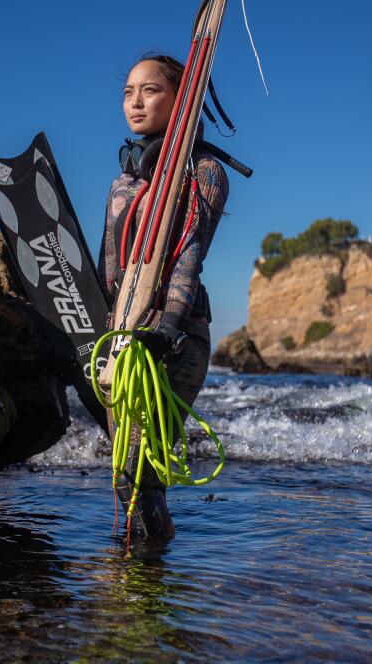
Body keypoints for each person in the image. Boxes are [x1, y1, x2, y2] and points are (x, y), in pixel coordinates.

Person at [96, 53, 230, 541]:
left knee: (141, 475)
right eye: (128, 92)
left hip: (174, 340)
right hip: (123, 339)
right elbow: (109, 268)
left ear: (182, 98)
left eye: (150, 90)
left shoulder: (205, 172)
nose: (135, 101)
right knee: (123, 477)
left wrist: (167, 329)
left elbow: (189, 258)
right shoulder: (122, 183)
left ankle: (144, 590)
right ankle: (136, 580)